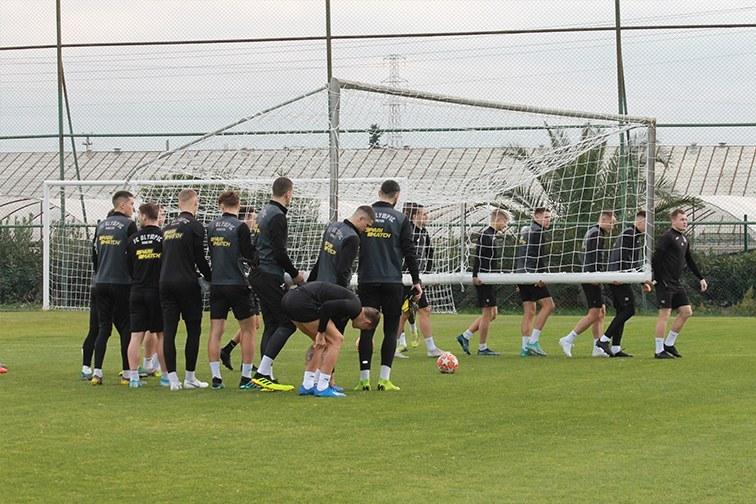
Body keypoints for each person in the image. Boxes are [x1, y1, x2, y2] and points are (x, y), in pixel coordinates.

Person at [354, 179, 422, 392]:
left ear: (379, 192)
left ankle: (364, 379)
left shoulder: (364, 215)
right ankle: (384, 379)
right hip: (392, 281)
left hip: (367, 279)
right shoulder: (401, 218)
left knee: (366, 329)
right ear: (397, 196)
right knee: (391, 330)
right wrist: (416, 280)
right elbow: (409, 251)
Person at [250, 177, 305, 392]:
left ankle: (267, 377)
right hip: (269, 274)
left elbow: (254, 246)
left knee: (272, 324)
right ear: (288, 194)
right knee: (288, 323)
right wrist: (295, 274)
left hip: (258, 272)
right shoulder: (278, 216)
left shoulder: (263, 212)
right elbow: (279, 252)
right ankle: (262, 373)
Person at [283, 282, 380, 397]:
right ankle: (322, 386)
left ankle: (308, 384)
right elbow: (327, 307)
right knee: (337, 339)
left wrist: (321, 334)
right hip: (302, 302)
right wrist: (321, 332)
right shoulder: (355, 306)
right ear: (367, 322)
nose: (361, 329)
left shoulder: (348, 311)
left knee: (321, 343)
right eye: (365, 328)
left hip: (288, 300)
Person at [160, 189, 212, 390]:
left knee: (169, 331)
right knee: (193, 329)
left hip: (165, 282)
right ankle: (190, 377)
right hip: (186, 282)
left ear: (179, 203)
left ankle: (173, 379)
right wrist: (211, 277)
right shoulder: (195, 226)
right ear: (195, 203)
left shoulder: (167, 227)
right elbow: (199, 258)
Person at [206, 191, 259, 390]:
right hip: (237, 282)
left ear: (221, 205)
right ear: (238, 205)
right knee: (249, 329)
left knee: (216, 331)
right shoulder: (240, 226)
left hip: (217, 283)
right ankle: (245, 377)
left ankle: (216, 378)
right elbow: (248, 255)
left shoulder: (211, 227)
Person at [90, 191, 137, 385]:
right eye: (131, 204)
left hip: (101, 282)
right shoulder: (129, 225)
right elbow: (134, 253)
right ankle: (127, 373)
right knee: (126, 327)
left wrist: (99, 272)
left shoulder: (101, 225)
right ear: (123, 205)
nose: (133, 208)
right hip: (121, 282)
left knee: (104, 328)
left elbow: (94, 254)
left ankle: (97, 372)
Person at [651, 209, 707, 359]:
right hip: (665, 283)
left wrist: (701, 278)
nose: (685, 222)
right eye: (682, 219)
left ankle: (669, 344)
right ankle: (658, 350)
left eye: (686, 219)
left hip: (676, 283)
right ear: (673, 220)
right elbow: (656, 259)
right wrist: (658, 279)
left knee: (686, 311)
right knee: (665, 314)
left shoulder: (684, 239)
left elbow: (689, 260)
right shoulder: (667, 237)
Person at [559, 210, 616, 357]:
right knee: (594, 313)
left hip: (592, 275)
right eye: (612, 223)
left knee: (601, 312)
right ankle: (568, 339)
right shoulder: (596, 234)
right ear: (604, 220)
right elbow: (592, 257)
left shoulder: (594, 232)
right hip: (591, 277)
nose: (613, 226)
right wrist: (593, 275)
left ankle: (597, 347)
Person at [595, 210, 651, 358]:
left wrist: (641, 281)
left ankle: (616, 347)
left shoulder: (634, 236)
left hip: (621, 276)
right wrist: (619, 275)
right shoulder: (629, 234)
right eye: (647, 223)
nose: (649, 227)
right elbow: (622, 257)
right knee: (629, 310)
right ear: (639, 221)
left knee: (622, 311)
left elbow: (632, 262)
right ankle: (603, 340)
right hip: (619, 278)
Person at [456, 209, 510, 357]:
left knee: (493, 314)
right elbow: (478, 256)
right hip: (483, 279)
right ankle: (482, 348)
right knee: (487, 314)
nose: (505, 225)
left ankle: (465, 336)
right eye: (505, 222)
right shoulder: (486, 235)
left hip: (490, 279)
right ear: (497, 220)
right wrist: (475, 275)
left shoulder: (493, 236)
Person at [396, 203, 444, 358]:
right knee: (407, 313)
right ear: (414, 216)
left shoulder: (423, 232)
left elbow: (429, 254)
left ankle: (430, 348)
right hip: (406, 278)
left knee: (417, 311)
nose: (427, 217)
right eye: (424, 214)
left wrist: (427, 275)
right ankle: (428, 348)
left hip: (417, 279)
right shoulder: (408, 231)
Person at [125, 202, 165, 388]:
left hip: (137, 290)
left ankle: (134, 377)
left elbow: (128, 266)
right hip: (157, 290)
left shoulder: (133, 239)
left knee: (136, 336)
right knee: (161, 335)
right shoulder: (163, 237)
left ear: (143, 216)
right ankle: (166, 376)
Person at [219, 208, 261, 371]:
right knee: (251, 324)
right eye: (253, 218)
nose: (255, 222)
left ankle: (228, 350)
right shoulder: (239, 234)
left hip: (249, 282)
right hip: (242, 283)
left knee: (253, 324)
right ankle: (244, 363)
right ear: (246, 219)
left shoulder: (249, 235)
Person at [517, 207, 555, 357]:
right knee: (549, 305)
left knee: (529, 311)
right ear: (536, 217)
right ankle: (533, 341)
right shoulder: (538, 232)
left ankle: (525, 348)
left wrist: (517, 277)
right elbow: (538, 256)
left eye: (549, 217)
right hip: (532, 274)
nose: (548, 220)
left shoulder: (525, 230)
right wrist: (541, 276)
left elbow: (521, 254)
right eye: (545, 217)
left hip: (521, 274)